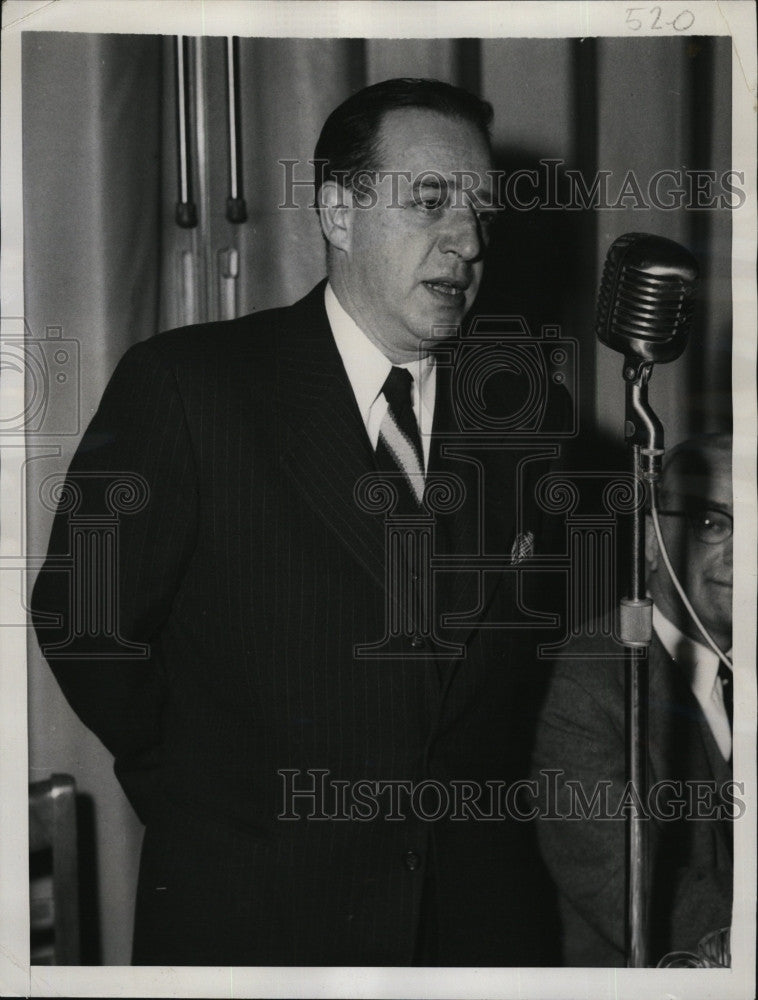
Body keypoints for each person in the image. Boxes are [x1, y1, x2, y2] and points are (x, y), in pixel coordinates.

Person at [31, 78, 567, 966]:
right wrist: (213, 796)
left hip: (475, 930)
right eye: (430, 201)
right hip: (254, 916)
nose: (467, 242)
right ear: (339, 213)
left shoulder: (530, 417)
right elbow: (83, 620)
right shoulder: (191, 386)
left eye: (481, 211)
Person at [532, 434, 734, 965]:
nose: (744, 552)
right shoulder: (595, 675)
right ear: (649, 541)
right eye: (712, 524)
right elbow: (632, 886)